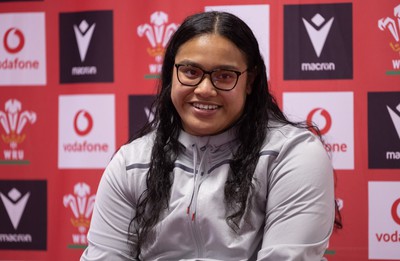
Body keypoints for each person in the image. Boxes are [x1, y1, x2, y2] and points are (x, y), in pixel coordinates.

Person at [81, 11, 341, 261]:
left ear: (250, 81)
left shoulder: (292, 154)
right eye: (191, 72)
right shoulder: (131, 162)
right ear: (172, 74)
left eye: (224, 76)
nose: (205, 89)